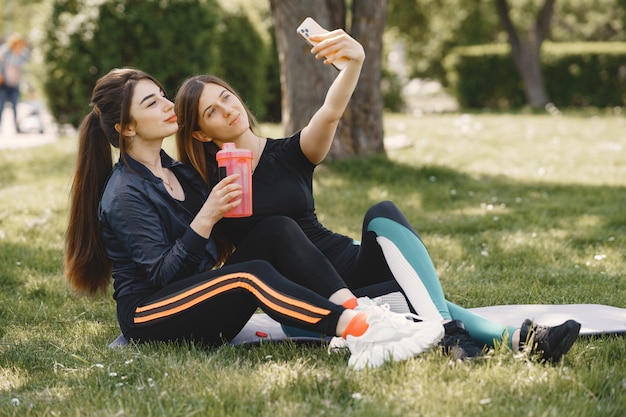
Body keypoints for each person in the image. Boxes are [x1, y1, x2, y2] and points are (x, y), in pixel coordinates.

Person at [174, 29, 581, 362]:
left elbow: (330, 112)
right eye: (211, 111)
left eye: (225, 96)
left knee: (384, 216)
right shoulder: (202, 185)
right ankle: (494, 337)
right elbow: (188, 252)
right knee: (400, 297)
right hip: (306, 299)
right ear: (201, 134)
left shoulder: (291, 154)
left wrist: (355, 63)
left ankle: (483, 336)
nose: (227, 109)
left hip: (347, 264)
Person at [63, 67, 445, 371]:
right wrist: (206, 219)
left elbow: (213, 253)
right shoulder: (125, 192)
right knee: (249, 275)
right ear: (126, 128)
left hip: (197, 298)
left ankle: (357, 311)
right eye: (152, 103)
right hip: (151, 314)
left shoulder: (178, 173)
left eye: (163, 95)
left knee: (274, 228)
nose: (167, 105)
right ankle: (359, 330)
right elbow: (163, 278)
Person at [0, 34, 30, 133]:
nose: (19, 45)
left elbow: (26, 58)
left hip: (15, 84)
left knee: (15, 106)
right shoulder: (6, 52)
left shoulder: (22, 54)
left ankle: (17, 128)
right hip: (4, 84)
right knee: (1, 106)